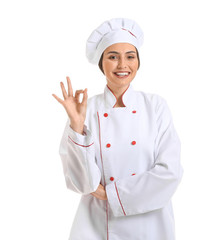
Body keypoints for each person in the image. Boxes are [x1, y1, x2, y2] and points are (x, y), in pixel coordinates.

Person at [52, 18, 183, 240]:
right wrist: (76, 126)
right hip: (96, 226)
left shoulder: (155, 106)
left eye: (130, 56)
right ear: (102, 63)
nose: (123, 65)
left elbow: (170, 172)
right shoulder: (86, 109)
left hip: (150, 226)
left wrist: (109, 194)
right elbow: (81, 183)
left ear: (138, 62)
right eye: (113, 57)